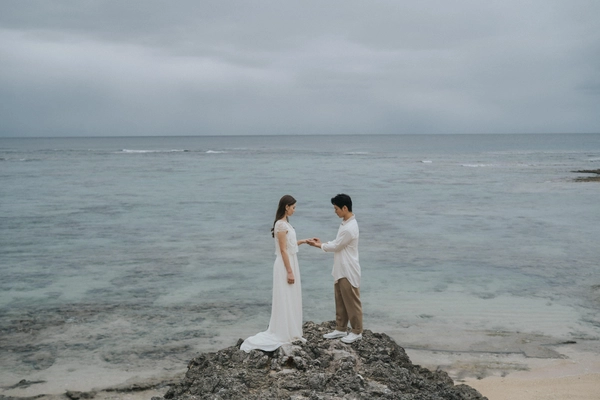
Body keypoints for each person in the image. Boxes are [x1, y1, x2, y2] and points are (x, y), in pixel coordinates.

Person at [240, 195, 311, 352]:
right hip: (285, 265)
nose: (294, 210)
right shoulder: (280, 225)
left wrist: (304, 241)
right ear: (286, 207)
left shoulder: (285, 224)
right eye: (293, 207)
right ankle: (283, 330)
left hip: (291, 261)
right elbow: (283, 250)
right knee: (285, 296)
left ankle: (291, 329)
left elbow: (289, 245)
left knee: (291, 296)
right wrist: (290, 271)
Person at [308, 193, 363, 344]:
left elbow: (337, 246)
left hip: (348, 269)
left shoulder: (350, 227)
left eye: (336, 208)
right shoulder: (345, 224)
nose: (335, 211)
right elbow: (338, 242)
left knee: (351, 301)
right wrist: (324, 242)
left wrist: (319, 245)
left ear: (345, 208)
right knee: (340, 299)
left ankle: (357, 331)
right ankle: (340, 328)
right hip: (340, 267)